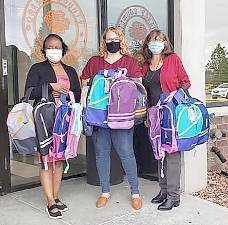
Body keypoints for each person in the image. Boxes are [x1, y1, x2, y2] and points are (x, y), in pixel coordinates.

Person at [81, 26, 142, 210]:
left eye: (115, 39)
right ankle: (105, 191)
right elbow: (84, 81)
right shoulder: (95, 62)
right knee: (101, 154)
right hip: (99, 117)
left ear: (121, 40)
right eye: (108, 39)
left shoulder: (129, 62)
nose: (112, 42)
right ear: (104, 41)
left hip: (122, 117)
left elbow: (138, 86)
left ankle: (135, 192)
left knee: (127, 154)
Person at [25, 34, 81, 219]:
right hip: (45, 118)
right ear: (44, 50)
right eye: (50, 47)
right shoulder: (37, 68)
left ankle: (56, 196)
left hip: (64, 119)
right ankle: (49, 200)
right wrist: (51, 86)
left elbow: (78, 94)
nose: (54, 50)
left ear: (63, 49)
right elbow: (29, 92)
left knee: (58, 159)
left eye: (57, 47)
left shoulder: (71, 70)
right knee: (45, 159)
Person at [142, 30, 191, 211]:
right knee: (159, 153)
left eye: (160, 40)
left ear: (165, 43)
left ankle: (173, 196)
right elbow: (146, 92)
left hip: (171, 113)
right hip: (154, 115)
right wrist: (148, 113)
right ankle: (163, 190)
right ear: (148, 44)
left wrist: (174, 98)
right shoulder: (146, 65)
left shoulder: (173, 59)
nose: (156, 43)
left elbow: (185, 82)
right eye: (153, 40)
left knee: (172, 154)